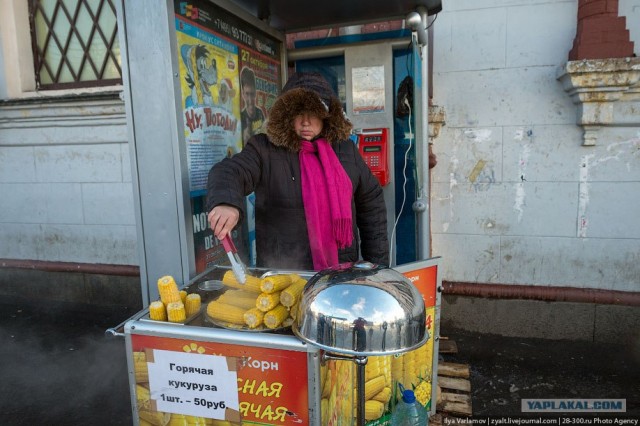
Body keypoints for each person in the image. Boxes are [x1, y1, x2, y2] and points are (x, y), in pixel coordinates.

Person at [206, 72, 389, 271]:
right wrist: (226, 202)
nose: (305, 122)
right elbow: (230, 170)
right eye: (298, 113)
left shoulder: (345, 151)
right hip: (284, 273)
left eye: (314, 112)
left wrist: (377, 269)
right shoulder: (264, 149)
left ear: (328, 115)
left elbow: (372, 205)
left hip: (340, 271)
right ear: (286, 116)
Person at [239, 67, 266, 146]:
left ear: (255, 93)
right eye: (247, 94)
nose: (250, 100)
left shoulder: (260, 113)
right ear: (243, 94)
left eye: (252, 94)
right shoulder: (241, 117)